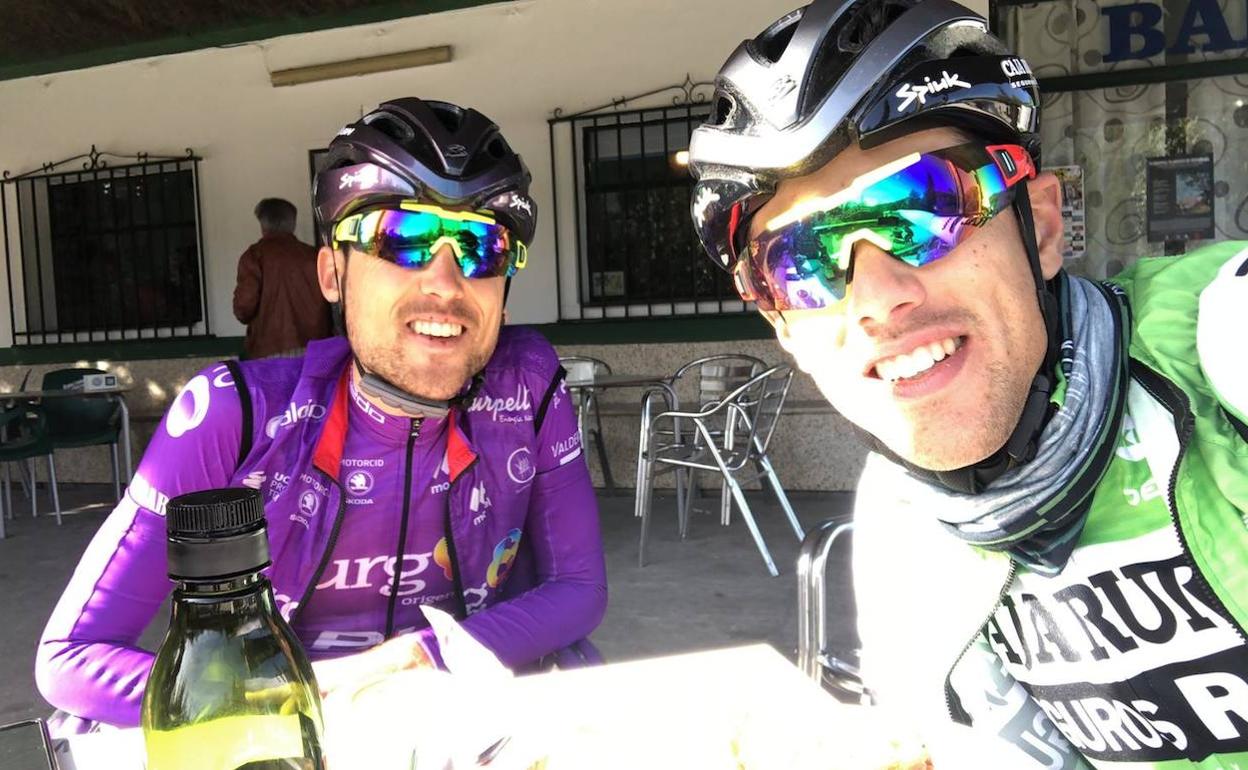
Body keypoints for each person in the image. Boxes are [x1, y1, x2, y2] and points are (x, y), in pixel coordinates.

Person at [689, 1, 1248, 767]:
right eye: (801, 263)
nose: (880, 299)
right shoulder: (899, 537)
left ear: (1043, 228)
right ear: (785, 329)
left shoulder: (1214, 344)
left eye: (921, 208)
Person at [36, 98, 607, 733]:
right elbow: (71, 659)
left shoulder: (526, 391)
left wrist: (418, 657)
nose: (446, 285)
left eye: (481, 247)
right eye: (404, 239)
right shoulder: (233, 415)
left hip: (464, 720)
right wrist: (291, 696)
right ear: (332, 273)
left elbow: (579, 589)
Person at [233, 197, 333, 358]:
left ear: (262, 224)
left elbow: (243, 308)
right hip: (315, 348)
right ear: (292, 224)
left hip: (268, 348)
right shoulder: (314, 256)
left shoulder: (254, 256)